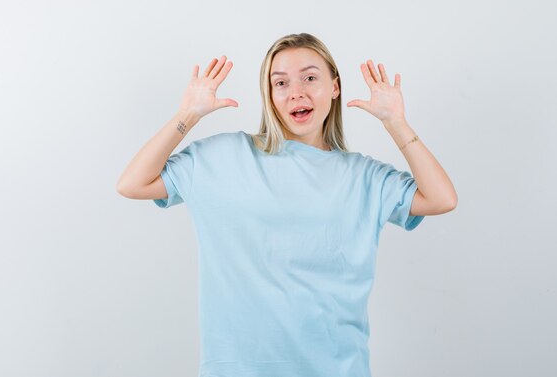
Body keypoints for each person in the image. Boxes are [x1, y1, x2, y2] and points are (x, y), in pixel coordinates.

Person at [117, 33, 457, 377]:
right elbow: (133, 183)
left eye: (310, 78)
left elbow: (441, 198)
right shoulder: (221, 157)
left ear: (335, 87)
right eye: (281, 83)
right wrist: (188, 115)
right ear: (270, 96)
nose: (296, 92)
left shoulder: (364, 177)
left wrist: (395, 123)